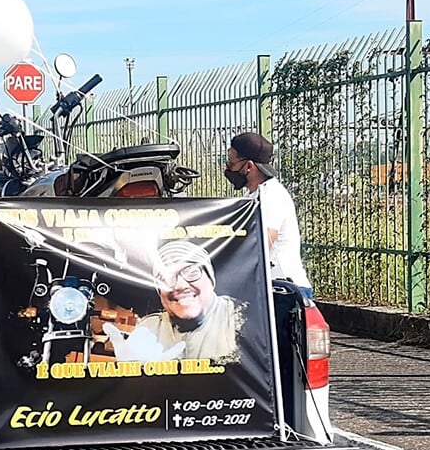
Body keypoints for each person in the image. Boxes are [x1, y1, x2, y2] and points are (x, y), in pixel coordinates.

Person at [103, 240, 244, 364]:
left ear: (211, 279)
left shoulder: (242, 318)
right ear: (159, 291)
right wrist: (130, 371)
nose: (180, 285)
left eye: (192, 272)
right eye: (166, 278)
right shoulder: (148, 328)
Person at [224, 132, 313, 298]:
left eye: (232, 161)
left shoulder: (271, 196)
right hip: (266, 288)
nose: (228, 167)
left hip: (284, 290)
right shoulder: (251, 196)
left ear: (248, 166)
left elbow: (262, 244)